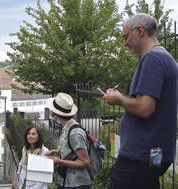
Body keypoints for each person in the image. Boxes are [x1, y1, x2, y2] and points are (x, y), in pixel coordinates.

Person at [103, 13, 178, 189]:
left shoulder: (151, 58)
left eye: (126, 36)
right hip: (154, 154)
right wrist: (122, 98)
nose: (125, 41)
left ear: (140, 31)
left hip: (139, 156)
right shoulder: (165, 58)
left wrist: (119, 99)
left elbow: (145, 108)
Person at [45, 93, 91, 189]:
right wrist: (57, 152)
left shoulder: (75, 133)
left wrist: (59, 161)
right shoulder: (67, 126)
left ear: (55, 113)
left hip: (77, 184)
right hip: (67, 181)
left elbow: (85, 162)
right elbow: (72, 151)